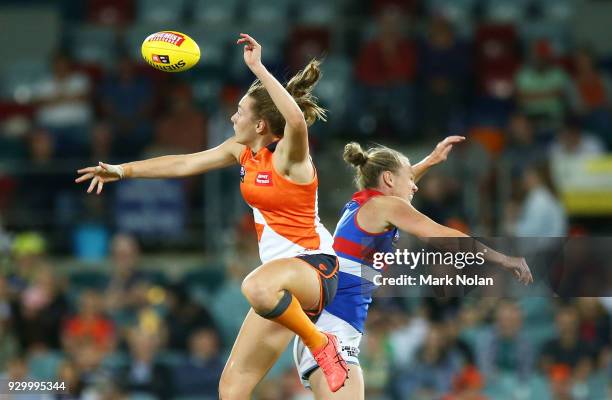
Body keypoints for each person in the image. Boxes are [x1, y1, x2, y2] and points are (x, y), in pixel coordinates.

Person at [75, 33, 348, 396]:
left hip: (315, 269)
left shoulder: (289, 157)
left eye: (240, 111)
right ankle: (316, 339)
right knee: (232, 386)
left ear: (261, 125)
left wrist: (258, 69)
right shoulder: (241, 150)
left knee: (254, 285)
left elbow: (296, 122)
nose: (233, 116)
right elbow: (185, 162)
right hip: (282, 294)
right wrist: (123, 170)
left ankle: (320, 344)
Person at [294, 137, 534, 399]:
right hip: (335, 336)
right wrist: (503, 259)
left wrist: (429, 162)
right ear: (387, 178)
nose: (415, 186)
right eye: (409, 178)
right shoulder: (387, 206)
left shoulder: (360, 205)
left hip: (322, 331)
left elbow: (396, 187)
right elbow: (443, 235)